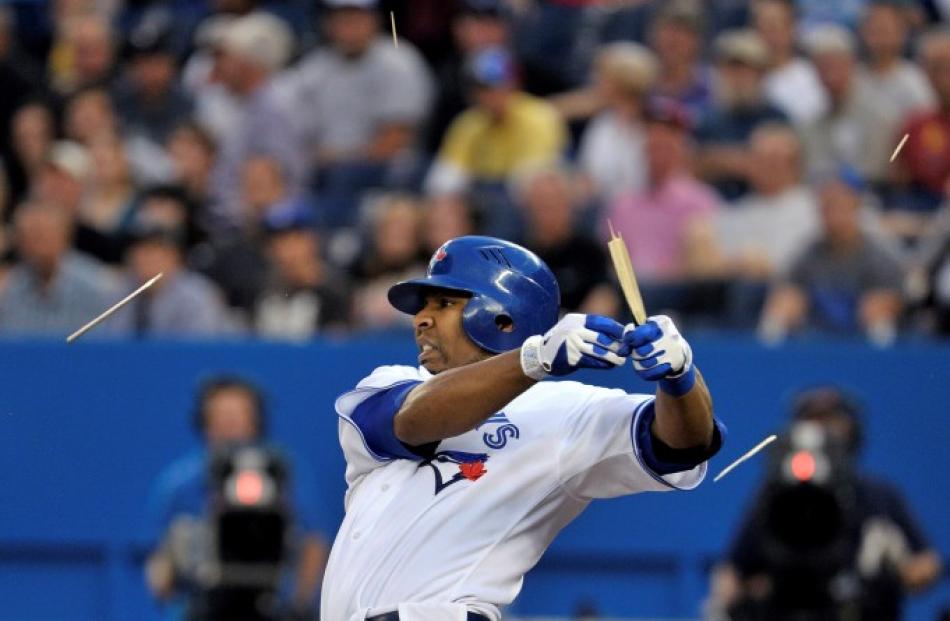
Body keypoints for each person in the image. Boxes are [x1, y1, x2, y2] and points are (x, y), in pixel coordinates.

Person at [320, 235, 726, 620]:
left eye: (443, 303)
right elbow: (412, 419)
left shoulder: (565, 409)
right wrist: (534, 358)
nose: (420, 320)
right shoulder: (391, 382)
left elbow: (684, 444)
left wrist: (680, 377)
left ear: (504, 320)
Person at [706, 385, 942, 621]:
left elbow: (926, 565)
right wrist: (725, 606)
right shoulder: (772, 499)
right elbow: (731, 572)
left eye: (833, 422)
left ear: (853, 431)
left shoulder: (879, 496)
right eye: (813, 421)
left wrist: (897, 565)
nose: (823, 432)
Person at [145, 375, 329, 621]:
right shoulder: (180, 483)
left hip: (274, 606)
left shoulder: (284, 473)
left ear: (257, 420)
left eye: (238, 413)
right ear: (204, 421)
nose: (230, 422)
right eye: (221, 414)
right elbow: (161, 561)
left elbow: (313, 541)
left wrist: (299, 604)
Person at [758, 170, 905, 346]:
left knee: (877, 307)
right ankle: (767, 354)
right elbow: (785, 290)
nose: (833, 214)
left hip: (862, 342)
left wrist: (879, 315)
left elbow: (896, 299)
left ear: (856, 206)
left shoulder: (879, 256)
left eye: (840, 206)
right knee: (786, 301)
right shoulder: (806, 254)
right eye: (827, 207)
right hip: (813, 337)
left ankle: (883, 359)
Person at [0, 200, 124, 336]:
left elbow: (103, 343)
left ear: (65, 234)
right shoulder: (11, 286)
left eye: (41, 234)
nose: (35, 243)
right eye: (27, 235)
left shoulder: (96, 285)